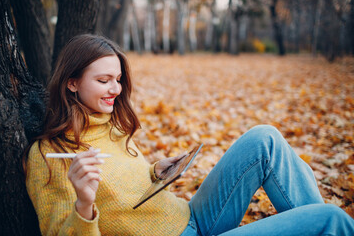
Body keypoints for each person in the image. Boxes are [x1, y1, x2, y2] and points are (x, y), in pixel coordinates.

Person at [24, 34, 354, 236]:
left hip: (193, 216)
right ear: (72, 82)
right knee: (331, 219)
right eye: (104, 80)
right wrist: (84, 203)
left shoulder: (107, 123)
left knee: (264, 139)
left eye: (118, 79)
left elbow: (123, 191)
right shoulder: (48, 156)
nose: (116, 89)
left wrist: (155, 172)